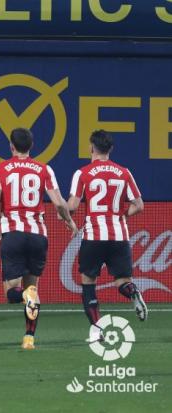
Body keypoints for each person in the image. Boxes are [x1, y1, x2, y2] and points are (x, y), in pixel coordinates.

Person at [0, 128, 77, 350]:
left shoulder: (0, 169)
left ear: (11, 146)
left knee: (11, 292)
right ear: (32, 145)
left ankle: (24, 297)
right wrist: (69, 221)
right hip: (37, 234)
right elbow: (58, 203)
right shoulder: (43, 169)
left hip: (13, 232)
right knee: (33, 288)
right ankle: (29, 337)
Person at [67, 130, 147, 336]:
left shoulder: (82, 173)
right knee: (123, 281)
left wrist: (64, 215)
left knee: (88, 284)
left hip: (94, 236)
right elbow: (139, 205)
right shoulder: (124, 172)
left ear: (91, 147)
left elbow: (73, 206)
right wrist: (121, 215)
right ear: (110, 149)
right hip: (119, 235)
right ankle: (133, 292)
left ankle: (97, 326)